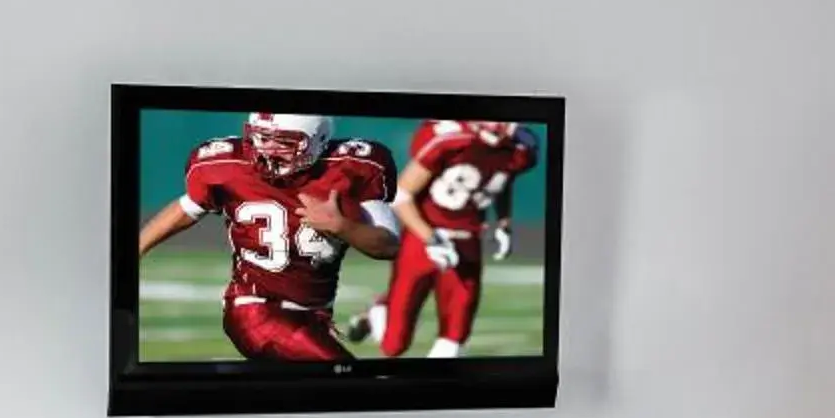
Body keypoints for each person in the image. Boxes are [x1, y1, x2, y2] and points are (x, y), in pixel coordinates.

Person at [132, 113, 399, 361]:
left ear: (318, 141)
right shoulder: (229, 166)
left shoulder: (353, 168)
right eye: (261, 137)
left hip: (314, 315)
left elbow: (388, 245)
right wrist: (135, 249)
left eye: (282, 142)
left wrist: (342, 226)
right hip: (255, 310)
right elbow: (188, 207)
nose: (266, 150)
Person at [347, 119, 540, 358]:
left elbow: (499, 180)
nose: (497, 124)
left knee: (454, 339)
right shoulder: (450, 140)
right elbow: (402, 195)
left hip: (468, 240)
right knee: (394, 346)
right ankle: (379, 312)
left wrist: (503, 222)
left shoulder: (521, 149)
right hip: (423, 238)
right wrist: (431, 238)